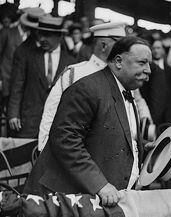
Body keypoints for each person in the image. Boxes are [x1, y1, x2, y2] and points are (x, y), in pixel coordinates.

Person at [23, 36, 152, 207]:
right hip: (62, 200)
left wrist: (141, 146)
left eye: (149, 64)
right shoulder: (88, 88)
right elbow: (65, 140)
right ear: (119, 61)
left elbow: (110, 132)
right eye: (142, 62)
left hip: (90, 201)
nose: (149, 70)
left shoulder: (124, 91)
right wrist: (99, 185)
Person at [38, 22, 152, 151]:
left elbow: (135, 105)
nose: (126, 50)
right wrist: (44, 149)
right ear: (104, 45)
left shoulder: (124, 76)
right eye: (120, 45)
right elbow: (51, 113)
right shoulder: (75, 74)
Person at [8, 15, 75, 138]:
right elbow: (17, 86)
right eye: (41, 34)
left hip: (57, 123)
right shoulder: (28, 56)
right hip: (29, 121)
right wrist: (13, 113)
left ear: (59, 36)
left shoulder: (71, 61)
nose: (42, 39)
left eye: (47, 35)